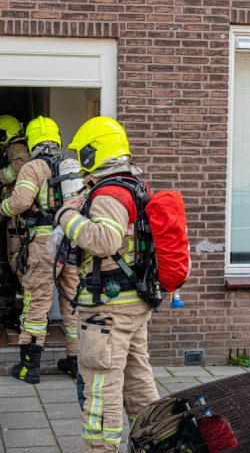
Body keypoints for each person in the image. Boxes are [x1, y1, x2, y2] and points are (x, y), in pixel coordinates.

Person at [54, 116, 159, 452]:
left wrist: (66, 215)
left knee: (101, 390)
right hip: (132, 305)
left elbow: (104, 241)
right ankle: (154, 444)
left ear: (93, 151)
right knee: (139, 383)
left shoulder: (109, 193)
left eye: (81, 152)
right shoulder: (134, 185)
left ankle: (102, 449)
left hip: (108, 312)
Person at [0, 116, 80, 383]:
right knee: (73, 301)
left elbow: (20, 202)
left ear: (32, 140)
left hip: (44, 244)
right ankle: (76, 362)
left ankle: (29, 366)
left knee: (36, 300)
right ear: (57, 138)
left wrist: (3, 208)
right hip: (72, 241)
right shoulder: (71, 165)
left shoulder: (33, 167)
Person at [0, 115, 30, 297]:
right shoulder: (16, 147)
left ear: (3, 135)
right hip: (14, 214)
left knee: (17, 259)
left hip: (17, 216)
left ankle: (26, 303)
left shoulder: (16, 148)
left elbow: (21, 165)